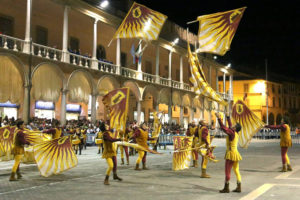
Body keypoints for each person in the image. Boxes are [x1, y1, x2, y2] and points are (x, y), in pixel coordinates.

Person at [215, 112, 242, 193]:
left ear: (235, 128)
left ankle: (226, 188)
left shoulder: (231, 133)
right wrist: (227, 117)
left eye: (234, 125)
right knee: (236, 170)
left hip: (230, 154)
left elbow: (224, 128)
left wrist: (219, 118)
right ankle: (239, 186)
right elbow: (230, 127)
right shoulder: (236, 133)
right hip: (236, 153)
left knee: (227, 171)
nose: (232, 125)